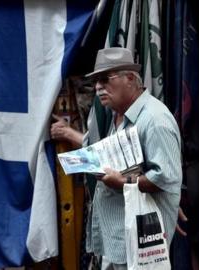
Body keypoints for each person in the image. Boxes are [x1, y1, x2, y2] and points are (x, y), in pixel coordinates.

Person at [51, 47, 182, 270]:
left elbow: (165, 178)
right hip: (118, 238)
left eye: (105, 79)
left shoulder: (155, 119)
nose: (98, 87)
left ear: (130, 78)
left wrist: (122, 182)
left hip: (138, 244)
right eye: (96, 82)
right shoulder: (119, 115)